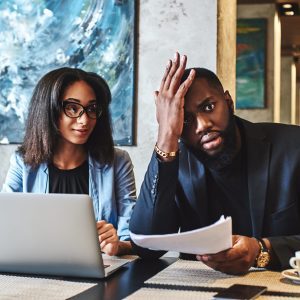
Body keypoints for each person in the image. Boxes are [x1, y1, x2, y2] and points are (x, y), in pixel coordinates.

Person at [129, 52, 300, 274]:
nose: (202, 125)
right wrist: (166, 135)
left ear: (228, 102)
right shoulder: (174, 163)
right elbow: (146, 247)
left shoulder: (292, 148)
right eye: (186, 119)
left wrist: (261, 251)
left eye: (208, 107)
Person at [2, 67, 136, 256]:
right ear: (49, 110)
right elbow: (5, 228)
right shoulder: (22, 163)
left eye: (91, 109)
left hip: (101, 271)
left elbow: (133, 239)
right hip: (38, 271)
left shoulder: (118, 162)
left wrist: (116, 245)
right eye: (73, 108)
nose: (84, 120)